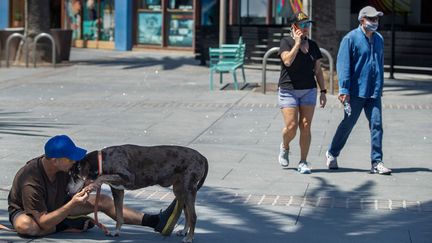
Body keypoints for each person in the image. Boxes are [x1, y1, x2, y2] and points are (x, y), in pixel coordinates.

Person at [7, 135, 182, 236]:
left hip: (59, 204)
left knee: (104, 201)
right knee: (26, 226)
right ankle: (64, 224)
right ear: (55, 161)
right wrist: (72, 205)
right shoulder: (31, 181)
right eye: (70, 158)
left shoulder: (63, 166)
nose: (75, 161)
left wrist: (89, 183)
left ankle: (155, 221)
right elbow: (43, 222)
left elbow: (81, 182)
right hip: (32, 213)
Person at [326, 6, 392, 175]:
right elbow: (343, 66)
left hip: (373, 91)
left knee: (377, 125)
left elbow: (379, 64)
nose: (375, 22)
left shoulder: (379, 39)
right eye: (372, 19)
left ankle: (377, 162)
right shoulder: (350, 39)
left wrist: (380, 85)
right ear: (362, 20)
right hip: (355, 91)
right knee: (348, 124)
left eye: (377, 19)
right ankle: (332, 153)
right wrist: (344, 89)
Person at [277, 11, 327, 174]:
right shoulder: (286, 42)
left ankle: (303, 161)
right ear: (294, 27)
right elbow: (287, 61)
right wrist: (297, 44)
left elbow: (318, 71)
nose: (306, 28)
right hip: (288, 90)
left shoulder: (313, 45)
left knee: (305, 126)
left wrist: (323, 91)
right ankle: (285, 146)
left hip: (308, 90)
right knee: (291, 127)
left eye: (308, 25)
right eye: (302, 25)